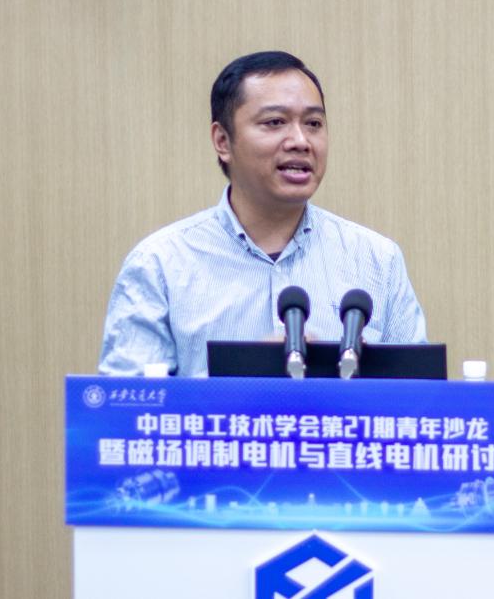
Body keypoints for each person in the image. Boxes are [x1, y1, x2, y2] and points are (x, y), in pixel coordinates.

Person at [98, 51, 426, 376]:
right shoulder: (160, 265)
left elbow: (419, 396)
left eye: (313, 124)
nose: (300, 141)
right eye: (275, 122)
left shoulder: (377, 261)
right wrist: (245, 377)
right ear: (222, 141)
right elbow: (127, 404)